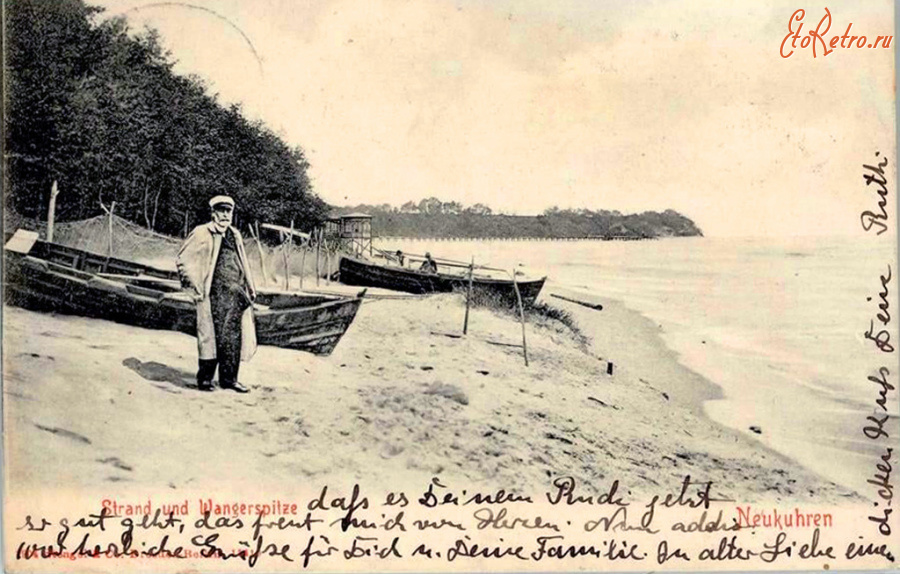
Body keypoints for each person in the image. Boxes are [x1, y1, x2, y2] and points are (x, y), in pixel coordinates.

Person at [177, 195, 257, 393]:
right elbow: (183, 260)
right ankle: (205, 380)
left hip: (235, 295)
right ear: (213, 213)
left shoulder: (235, 234)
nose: (225, 215)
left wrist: (251, 287)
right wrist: (195, 285)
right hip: (213, 294)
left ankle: (229, 380)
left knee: (232, 338)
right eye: (221, 211)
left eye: (228, 211)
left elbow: (243, 262)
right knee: (209, 338)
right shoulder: (202, 232)